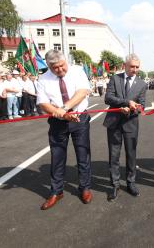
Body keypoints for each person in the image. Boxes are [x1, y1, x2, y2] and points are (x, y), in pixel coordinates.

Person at [37, 50, 92, 210]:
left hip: (79, 118)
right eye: (55, 68)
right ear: (48, 66)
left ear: (65, 61)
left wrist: (65, 108)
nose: (60, 70)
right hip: (57, 122)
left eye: (62, 66)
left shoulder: (77, 71)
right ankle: (56, 191)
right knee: (57, 156)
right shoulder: (43, 78)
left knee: (83, 155)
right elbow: (43, 103)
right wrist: (62, 114)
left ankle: (85, 188)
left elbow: (82, 92)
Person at [103, 54, 147, 201]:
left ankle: (131, 182)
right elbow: (108, 98)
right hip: (114, 122)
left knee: (131, 155)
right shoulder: (115, 78)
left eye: (137, 67)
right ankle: (115, 185)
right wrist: (125, 103)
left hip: (131, 123)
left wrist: (134, 108)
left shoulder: (141, 84)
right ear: (125, 65)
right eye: (132, 66)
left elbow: (142, 106)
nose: (134, 69)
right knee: (114, 156)